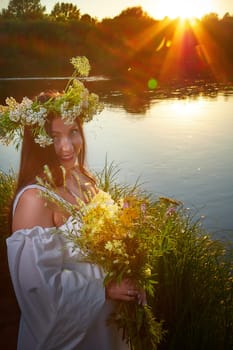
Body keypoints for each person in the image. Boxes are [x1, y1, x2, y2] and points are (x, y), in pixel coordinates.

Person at [4, 71, 145, 348]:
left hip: (107, 325)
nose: (67, 147)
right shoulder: (34, 200)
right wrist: (104, 289)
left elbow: (102, 243)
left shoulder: (82, 177)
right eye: (54, 137)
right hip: (75, 335)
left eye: (73, 132)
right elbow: (39, 292)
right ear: (39, 142)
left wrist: (127, 226)